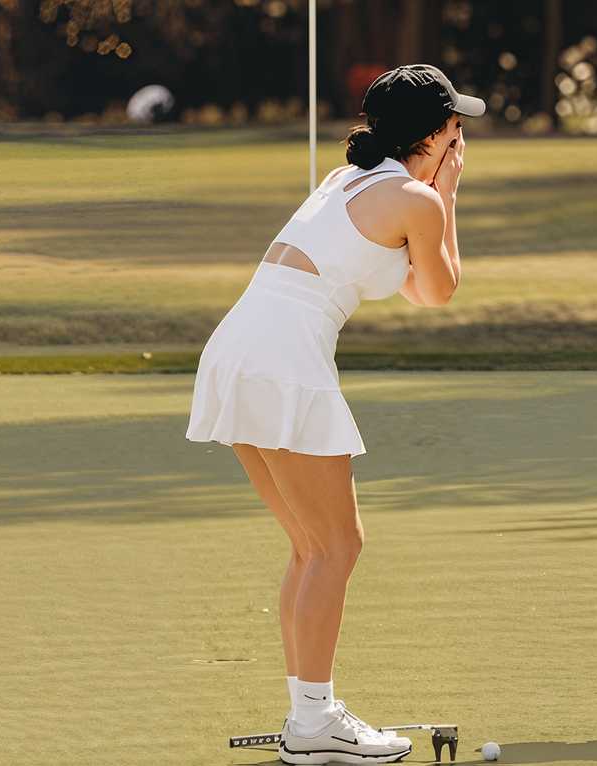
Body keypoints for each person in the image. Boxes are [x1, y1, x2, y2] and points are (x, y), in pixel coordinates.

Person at [186, 65, 484, 764]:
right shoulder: (418, 197)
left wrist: (434, 193)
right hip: (282, 355)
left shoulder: (346, 178)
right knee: (337, 546)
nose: (461, 135)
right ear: (438, 134)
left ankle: (309, 717)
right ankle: (315, 724)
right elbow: (440, 292)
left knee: (312, 547)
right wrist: (449, 192)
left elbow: (411, 287)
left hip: (239, 348)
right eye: (455, 125)